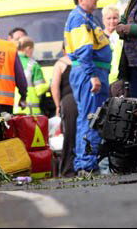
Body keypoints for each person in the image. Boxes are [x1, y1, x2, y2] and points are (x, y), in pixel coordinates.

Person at [64, 0, 112, 176]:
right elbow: (84, 51)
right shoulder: (79, 18)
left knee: (94, 117)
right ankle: (86, 164)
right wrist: (92, 76)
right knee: (91, 117)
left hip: (94, 72)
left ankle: (88, 161)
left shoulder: (88, 18)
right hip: (89, 73)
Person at [51, 42, 78, 177]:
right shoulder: (83, 60)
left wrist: (57, 105)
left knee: (70, 135)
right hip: (81, 99)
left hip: (69, 101)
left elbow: (54, 86)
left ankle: (68, 169)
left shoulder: (61, 63)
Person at [13, 36, 49, 115]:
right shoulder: (33, 64)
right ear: (28, 48)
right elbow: (39, 89)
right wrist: (49, 83)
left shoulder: (11, 62)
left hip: (12, 110)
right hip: (30, 110)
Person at [102, 5, 125, 97]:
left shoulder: (122, 36)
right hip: (103, 79)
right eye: (109, 18)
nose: (112, 21)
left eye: (115, 18)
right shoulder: (98, 37)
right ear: (103, 20)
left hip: (119, 80)